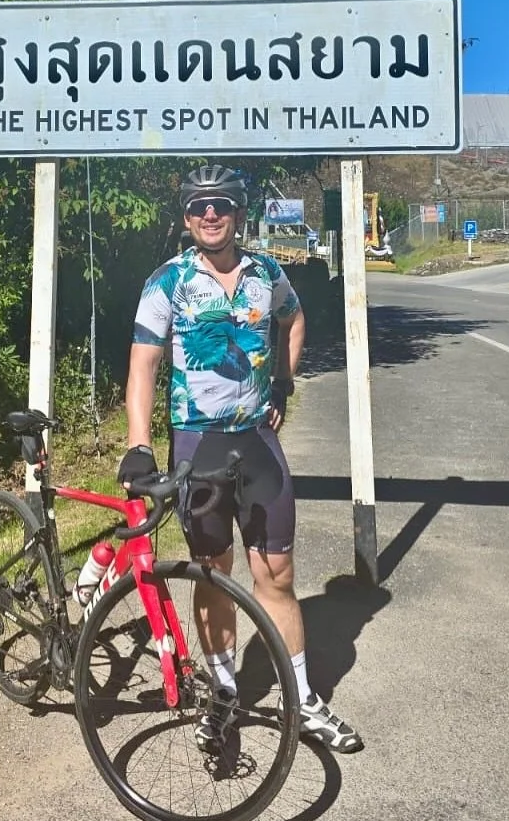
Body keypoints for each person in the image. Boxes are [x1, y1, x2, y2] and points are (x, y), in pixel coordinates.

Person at [117, 164, 363, 754]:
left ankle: (301, 700)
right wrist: (138, 444)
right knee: (213, 572)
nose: (211, 214)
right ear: (186, 217)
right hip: (197, 446)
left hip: (256, 443)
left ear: (239, 214)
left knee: (277, 575)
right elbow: (143, 364)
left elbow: (294, 319)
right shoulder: (168, 282)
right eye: (200, 205)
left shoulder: (267, 273)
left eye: (222, 204)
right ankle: (224, 693)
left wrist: (282, 382)